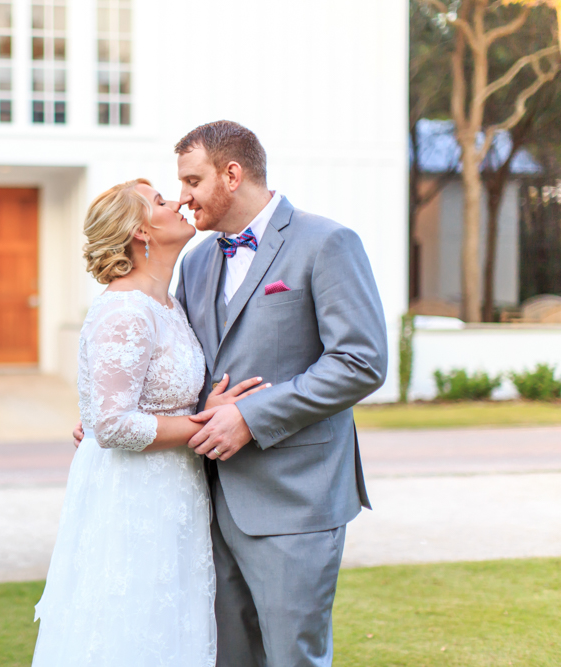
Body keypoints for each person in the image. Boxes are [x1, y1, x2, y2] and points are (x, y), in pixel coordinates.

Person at [74, 121, 388, 667]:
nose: (185, 197)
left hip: (295, 499)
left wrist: (250, 415)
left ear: (232, 174)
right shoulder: (194, 262)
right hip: (203, 505)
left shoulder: (326, 243)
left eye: (192, 180)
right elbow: (179, 368)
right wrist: (118, 414)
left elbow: (360, 362)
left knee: (292, 658)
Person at [32, 178, 267, 666]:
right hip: (134, 497)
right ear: (140, 230)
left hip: (174, 493)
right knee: (131, 628)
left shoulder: (169, 305)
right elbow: (114, 425)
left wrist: (205, 406)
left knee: (173, 628)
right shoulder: (125, 310)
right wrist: (210, 422)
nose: (179, 200)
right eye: (161, 201)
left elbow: (134, 404)